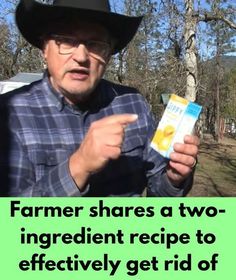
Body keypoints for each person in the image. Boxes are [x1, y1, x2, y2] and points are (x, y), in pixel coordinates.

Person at [0, 0, 199, 197]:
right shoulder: (9, 114)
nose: (81, 56)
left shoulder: (133, 104)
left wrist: (174, 178)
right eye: (66, 40)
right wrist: (78, 166)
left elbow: (159, 192)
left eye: (95, 44)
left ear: (108, 54)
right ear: (45, 48)